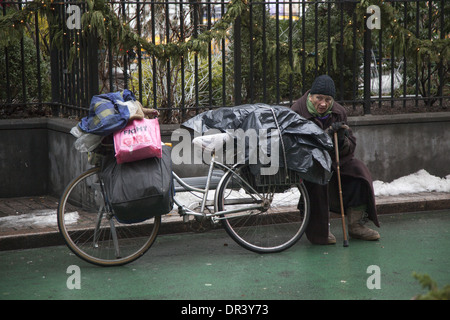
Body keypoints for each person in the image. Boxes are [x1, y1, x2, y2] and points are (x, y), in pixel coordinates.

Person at [291, 75, 380, 244]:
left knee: (358, 171)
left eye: (327, 99)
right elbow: (298, 146)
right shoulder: (297, 111)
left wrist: (342, 141)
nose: (323, 104)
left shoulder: (338, 111)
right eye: (319, 98)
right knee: (318, 179)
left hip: (333, 158)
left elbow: (350, 146)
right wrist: (326, 136)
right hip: (309, 162)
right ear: (311, 96)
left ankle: (356, 226)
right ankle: (319, 232)